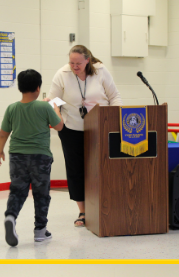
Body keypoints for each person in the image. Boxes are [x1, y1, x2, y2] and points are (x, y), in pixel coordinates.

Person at [48, 45, 123, 228]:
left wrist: (115, 119)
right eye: (72, 62)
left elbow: (114, 96)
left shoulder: (100, 71)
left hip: (101, 128)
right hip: (72, 128)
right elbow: (53, 99)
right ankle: (82, 211)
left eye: (78, 63)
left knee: (102, 167)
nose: (74, 66)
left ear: (88, 60)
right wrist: (56, 114)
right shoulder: (62, 74)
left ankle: (106, 206)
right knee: (76, 170)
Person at [0, 69, 64, 247]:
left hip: (17, 155)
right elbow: (59, 126)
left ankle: (10, 216)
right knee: (41, 194)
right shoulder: (44, 107)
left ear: (20, 88)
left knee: (18, 191)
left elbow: (3, 133)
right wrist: (55, 107)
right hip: (40, 157)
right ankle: (40, 231)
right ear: (37, 87)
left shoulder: (12, 108)